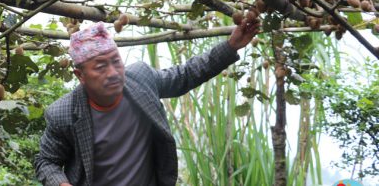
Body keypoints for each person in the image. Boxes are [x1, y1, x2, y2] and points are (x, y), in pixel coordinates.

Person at [34, 18, 260, 186]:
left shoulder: (141, 79)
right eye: (101, 67)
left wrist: (231, 46)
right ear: (80, 76)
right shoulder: (63, 113)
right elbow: (46, 161)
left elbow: (186, 74)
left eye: (116, 61)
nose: (113, 73)